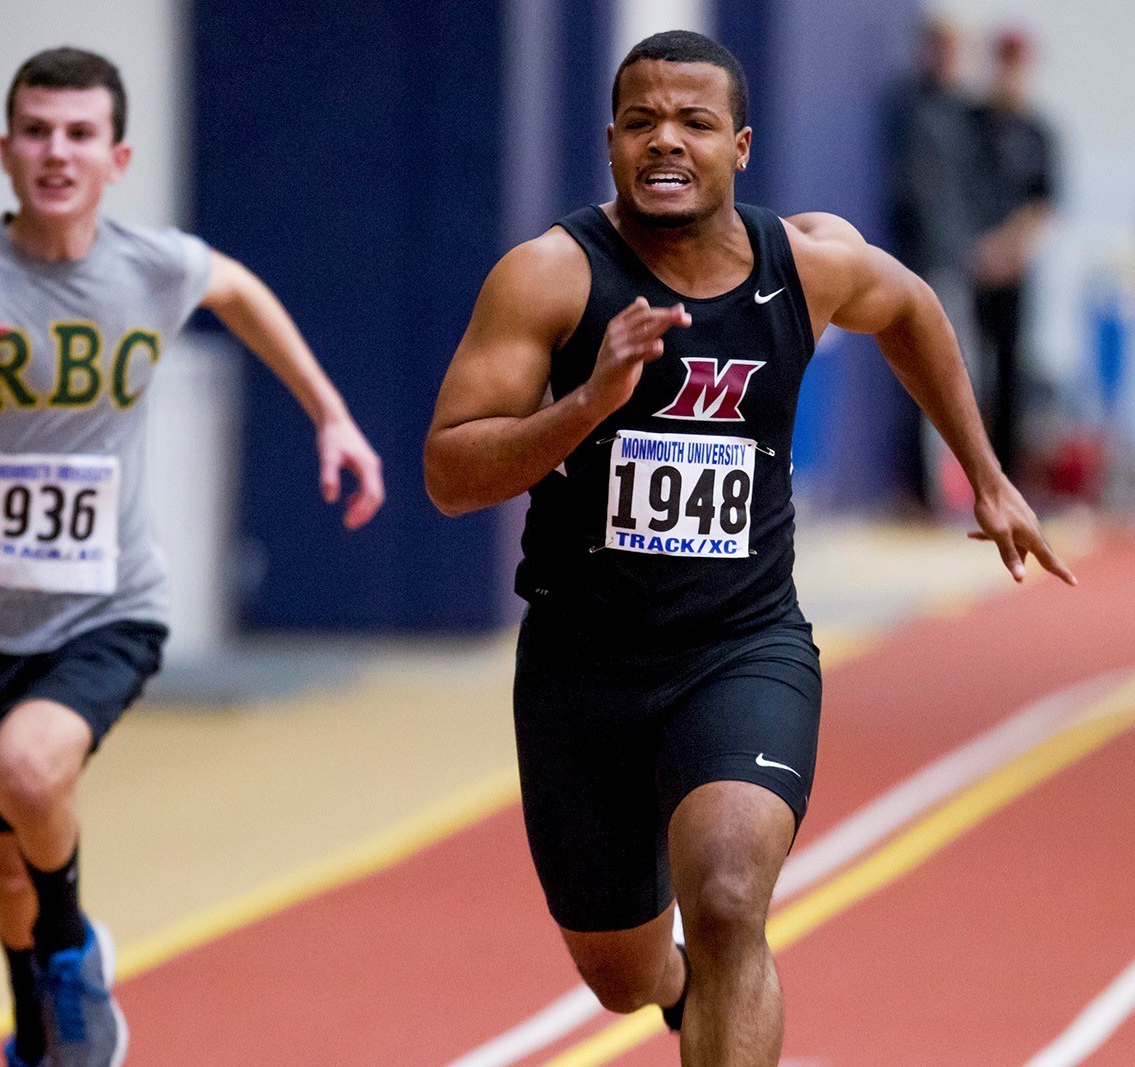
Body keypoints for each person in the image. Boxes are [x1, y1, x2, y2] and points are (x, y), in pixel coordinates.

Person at [424, 30, 1073, 1066]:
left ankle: (713, 971)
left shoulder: (804, 265)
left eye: (693, 121)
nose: (665, 142)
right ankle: (677, 986)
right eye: (641, 122)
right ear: (609, 144)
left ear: (741, 146)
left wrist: (986, 474)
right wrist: (589, 403)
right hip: (581, 660)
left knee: (727, 896)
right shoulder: (549, 277)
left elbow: (908, 305)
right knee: (619, 972)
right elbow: (450, 475)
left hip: (740, 646)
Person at [0, 48, 382, 1067]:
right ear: (6, 149)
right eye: (36, 131)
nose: (55, 151)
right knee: (0, 860)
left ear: (115, 156)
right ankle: (43, 1029)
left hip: (105, 604)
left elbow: (238, 289)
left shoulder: (150, 265)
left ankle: (73, 949)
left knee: (28, 772)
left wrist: (330, 415)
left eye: (78, 134)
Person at [881, 17, 987, 510]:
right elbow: (913, 189)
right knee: (934, 372)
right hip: (923, 260)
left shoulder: (962, 114)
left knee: (961, 370)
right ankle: (940, 489)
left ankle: (960, 482)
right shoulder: (911, 107)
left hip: (954, 260)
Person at [970, 26, 1058, 478]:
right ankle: (963, 471)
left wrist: (1009, 247)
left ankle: (1005, 473)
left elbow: (1044, 203)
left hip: (1013, 267)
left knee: (1009, 370)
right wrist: (976, 248)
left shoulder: (1038, 132)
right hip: (971, 263)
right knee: (963, 367)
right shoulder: (971, 124)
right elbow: (955, 190)